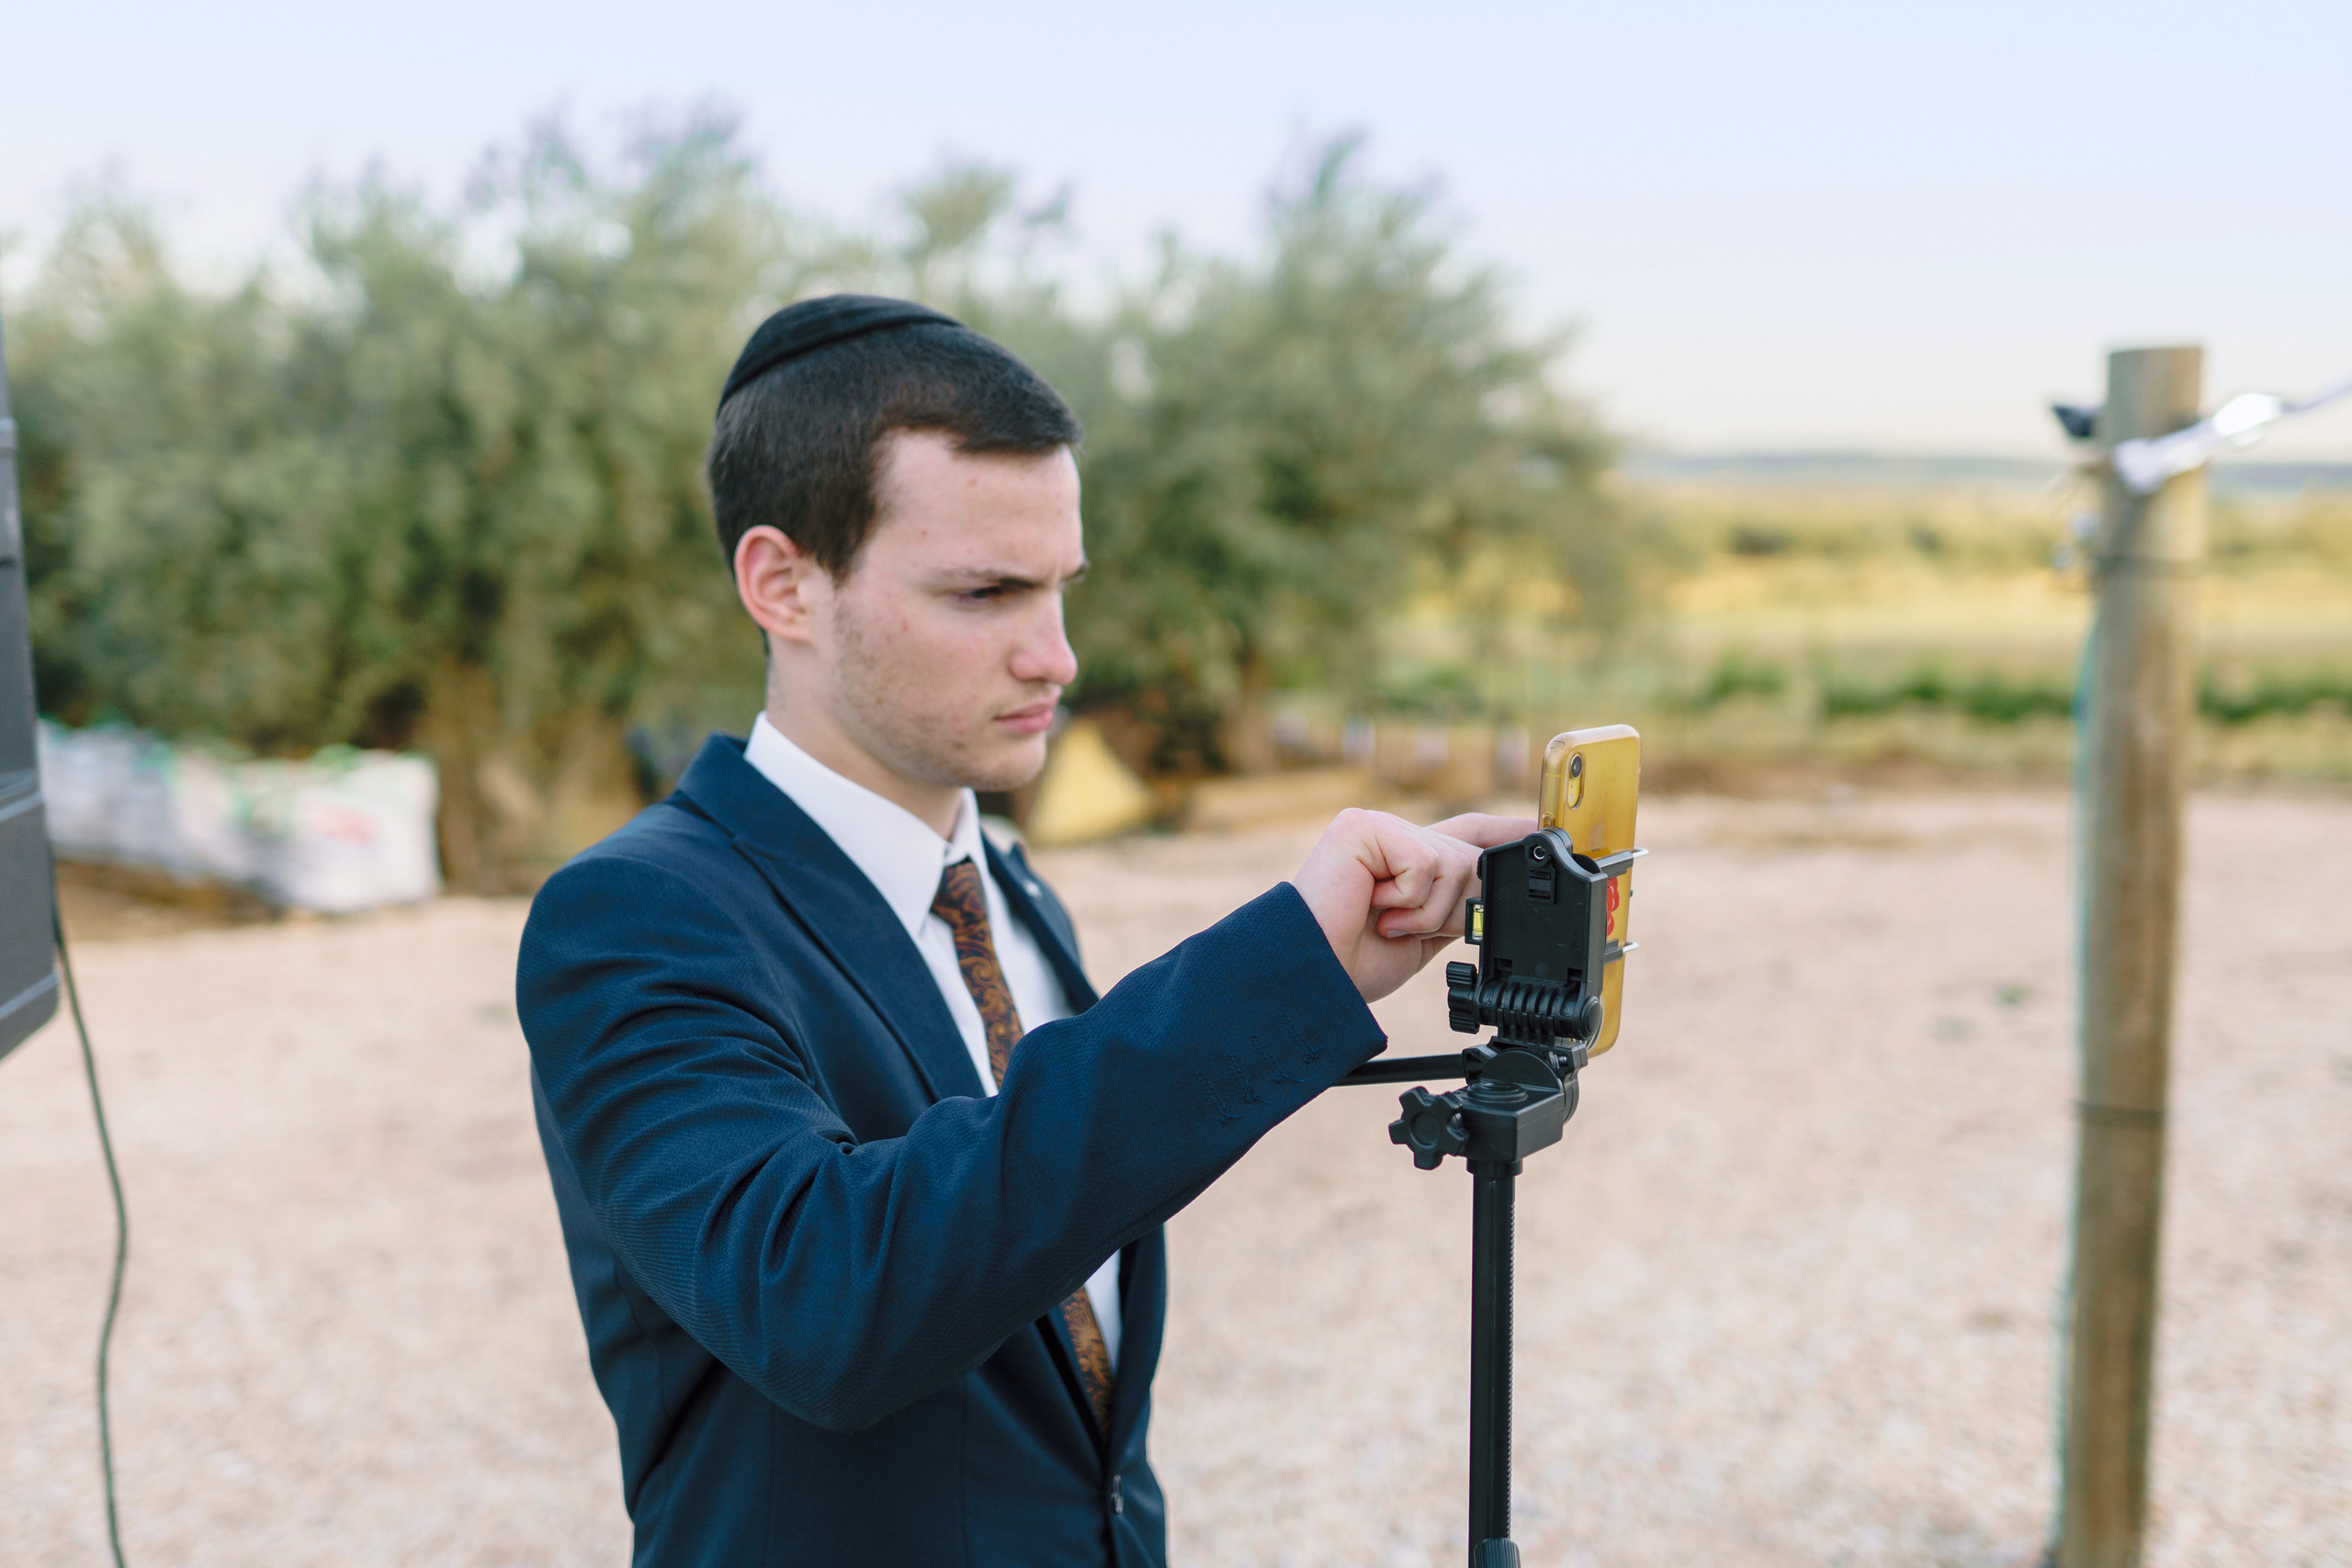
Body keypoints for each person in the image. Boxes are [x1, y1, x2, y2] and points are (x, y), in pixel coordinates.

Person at [517, 295, 1527, 1567]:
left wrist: (1332, 975)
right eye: (986, 592)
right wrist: (1278, 971)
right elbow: (823, 1302)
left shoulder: (1004, 881)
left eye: (1059, 590)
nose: (1055, 658)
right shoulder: (635, 915)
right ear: (783, 584)